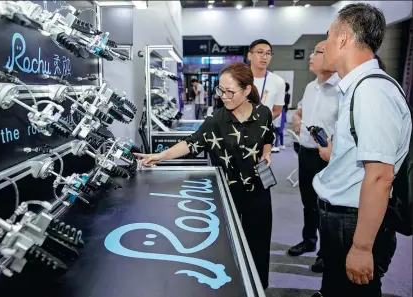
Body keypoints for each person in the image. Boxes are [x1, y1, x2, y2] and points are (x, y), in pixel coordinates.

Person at [135, 62, 275, 289]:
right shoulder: (216, 121)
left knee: (258, 243)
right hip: (227, 194)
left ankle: (258, 287)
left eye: (230, 91)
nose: (224, 96)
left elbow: (268, 138)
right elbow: (190, 144)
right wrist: (160, 156)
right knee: (226, 245)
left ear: (247, 90)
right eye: (221, 90)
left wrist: (267, 154)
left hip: (259, 189)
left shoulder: (263, 113)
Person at [312, 3, 412, 297]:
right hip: (343, 218)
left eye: (329, 36)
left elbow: (380, 177)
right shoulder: (360, 88)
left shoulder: (371, 91)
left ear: (342, 38)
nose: (326, 44)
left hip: (353, 224)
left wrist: (361, 246)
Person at [288, 41, 340, 274]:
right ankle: (309, 240)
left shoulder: (342, 88)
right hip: (306, 151)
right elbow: (299, 110)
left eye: (316, 53)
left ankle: (325, 254)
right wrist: (298, 120)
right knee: (308, 202)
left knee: (326, 206)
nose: (310, 56)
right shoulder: (311, 87)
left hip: (329, 156)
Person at [247, 39, 286, 120]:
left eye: (268, 53)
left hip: (264, 128)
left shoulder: (278, 81)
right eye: (260, 52)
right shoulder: (238, 78)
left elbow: (277, 110)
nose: (264, 57)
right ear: (249, 55)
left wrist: (262, 123)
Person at [272, 82, 291, 151]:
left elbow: (286, 104)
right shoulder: (279, 95)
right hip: (279, 111)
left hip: (282, 111)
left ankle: (280, 144)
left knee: (279, 129)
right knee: (277, 129)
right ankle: (278, 144)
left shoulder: (286, 95)